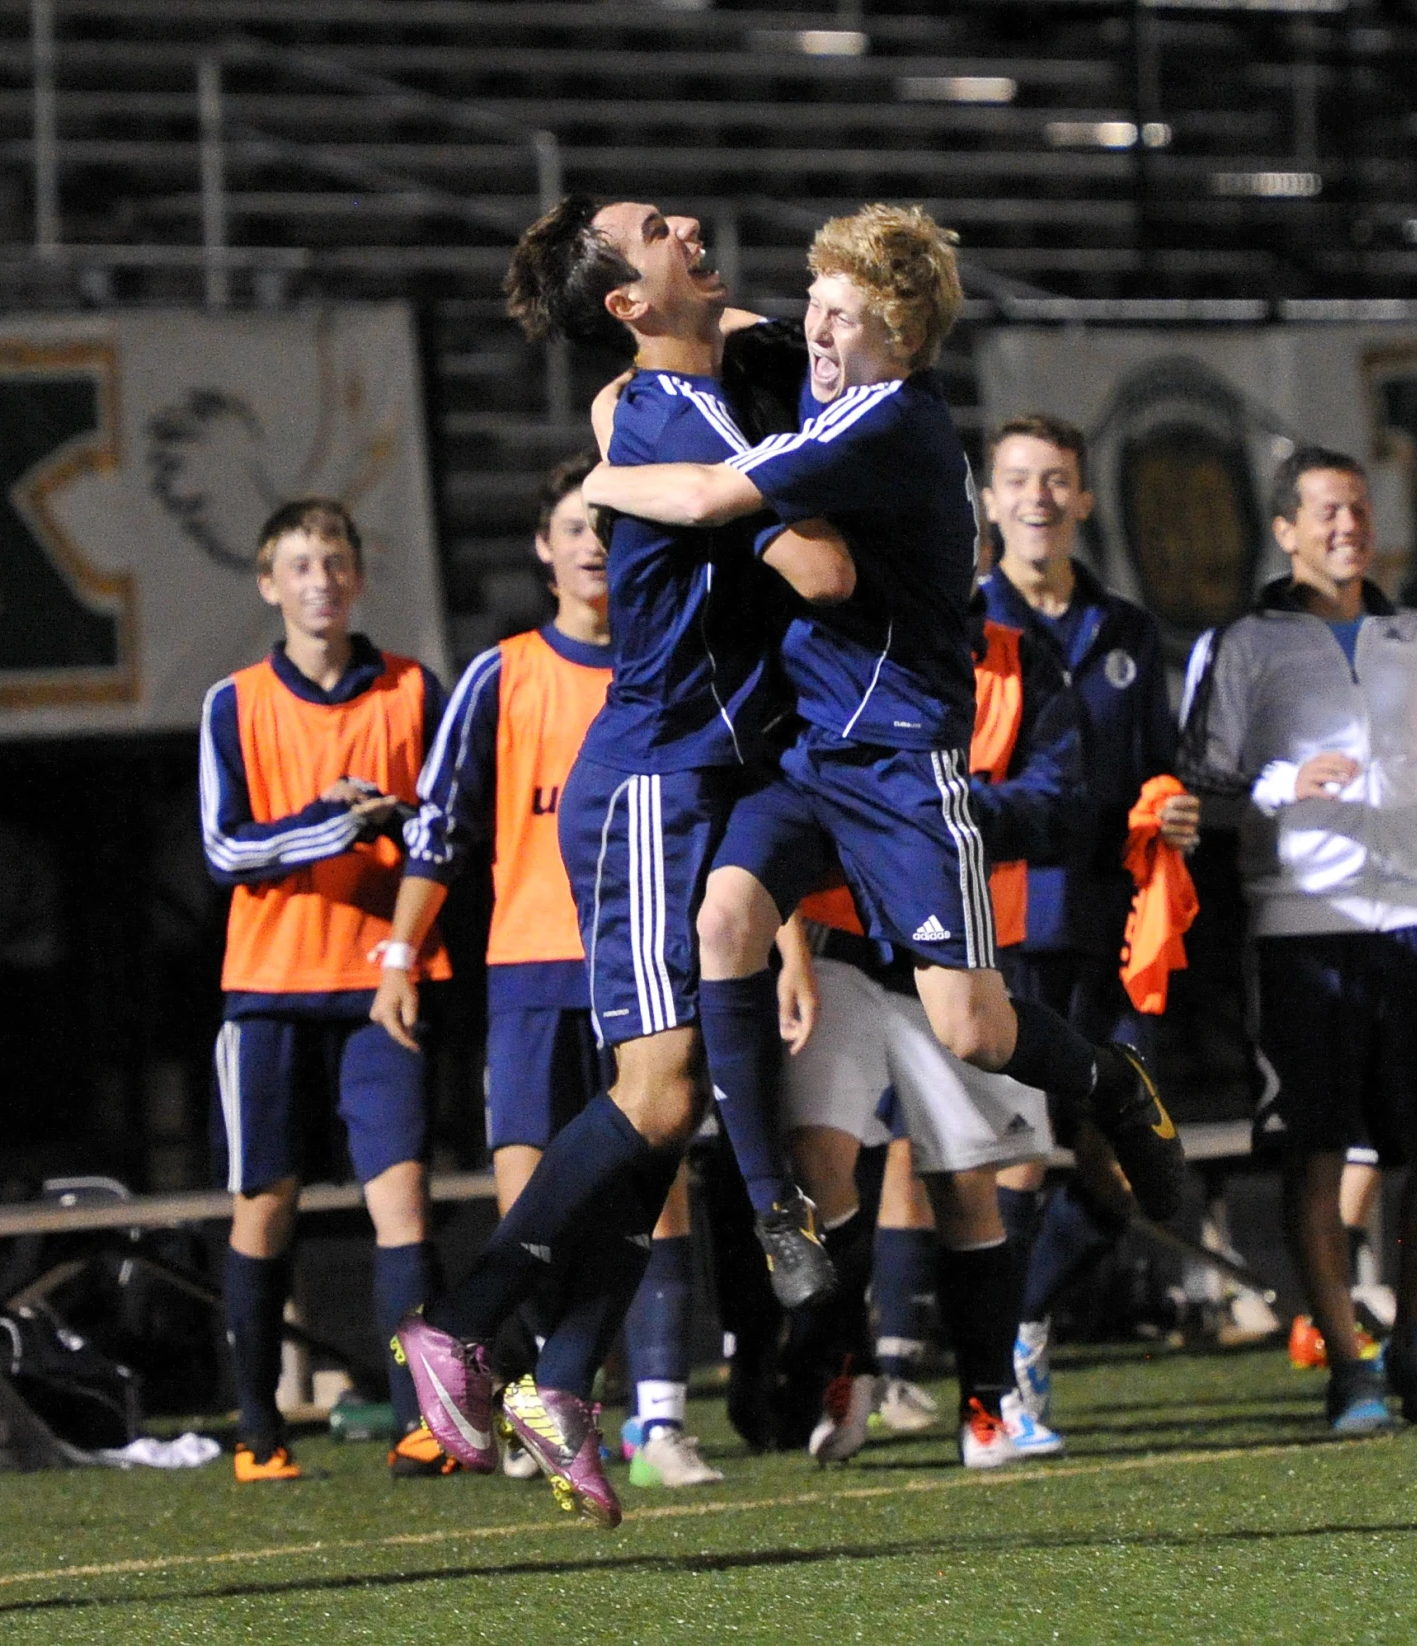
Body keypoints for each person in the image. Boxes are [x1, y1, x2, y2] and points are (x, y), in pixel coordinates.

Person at [578, 204, 1190, 1264]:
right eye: (814, 305)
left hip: (900, 759)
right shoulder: (833, 381)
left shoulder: (884, 423)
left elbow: (713, 490)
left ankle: (1109, 1079)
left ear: (901, 340)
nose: (815, 332)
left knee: (975, 1031)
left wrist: (598, 472)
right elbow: (745, 334)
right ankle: (778, 1211)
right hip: (812, 753)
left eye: (844, 319)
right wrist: (754, 327)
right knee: (725, 918)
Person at [392, 194, 855, 1527]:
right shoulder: (675, 413)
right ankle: (469, 1326)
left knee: (676, 1100)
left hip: (697, 779)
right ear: (628, 303)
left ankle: (561, 1379)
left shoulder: (692, 386)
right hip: (652, 781)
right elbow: (821, 571)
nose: (694, 221)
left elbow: (760, 357)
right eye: (659, 228)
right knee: (657, 1099)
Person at [1179, 447, 1417, 1433]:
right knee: (1313, 1149)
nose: (1347, 524)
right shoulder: (1243, 644)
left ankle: (1416, 1333)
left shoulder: (1407, 630)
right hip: (1301, 922)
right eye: (1326, 511)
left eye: (1357, 507)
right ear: (1285, 530)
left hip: (1413, 915)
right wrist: (1277, 787)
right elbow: (1198, 784)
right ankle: (1348, 1364)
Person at [370, 454, 720, 1488]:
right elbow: (442, 824)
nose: (593, 545)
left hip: (642, 962)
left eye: (609, 528)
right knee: (535, 1196)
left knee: (657, 1196)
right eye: (575, 526)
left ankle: (654, 1419)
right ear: (542, 545)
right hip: (528, 968)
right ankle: (531, 1388)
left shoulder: (665, 668)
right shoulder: (503, 671)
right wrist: (401, 948)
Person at [772, 598, 1082, 1468]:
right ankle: (851, 1366)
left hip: (965, 953)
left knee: (966, 1184)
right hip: (840, 946)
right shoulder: (826, 641)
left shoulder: (1023, 662)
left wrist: (929, 815)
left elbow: (1055, 803)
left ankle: (986, 1406)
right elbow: (782, 789)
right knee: (818, 1156)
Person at [198, 498, 446, 1482]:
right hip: (268, 988)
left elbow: (442, 824)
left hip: (383, 982)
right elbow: (224, 847)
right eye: (300, 563)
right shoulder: (236, 700)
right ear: (269, 583)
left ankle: (422, 1421)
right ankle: (257, 1429)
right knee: (264, 1205)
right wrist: (329, 823)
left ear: (357, 576)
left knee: (407, 1201)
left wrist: (395, 819)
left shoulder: (410, 688)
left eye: (335, 560)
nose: (320, 579)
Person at [974, 414, 1200, 1429]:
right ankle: (1002, 1371)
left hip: (1109, 930)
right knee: (1015, 1148)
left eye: (1056, 478)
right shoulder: (958, 625)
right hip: (1007, 927)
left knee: (1127, 1163)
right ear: (988, 500)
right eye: (1018, 478)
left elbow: (1159, 765)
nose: (1038, 497)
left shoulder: (1126, 629)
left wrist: (1174, 803)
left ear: (1083, 498)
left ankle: (1016, 1318)